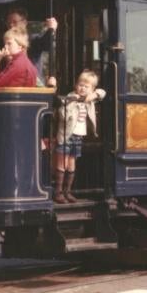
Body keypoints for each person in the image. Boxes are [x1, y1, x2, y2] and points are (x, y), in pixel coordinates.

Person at [52, 70, 106, 204]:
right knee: (62, 164)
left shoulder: (89, 100)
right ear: (76, 85)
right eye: (80, 85)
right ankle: (58, 192)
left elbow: (103, 92)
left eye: (86, 86)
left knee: (71, 165)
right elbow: (63, 116)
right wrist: (70, 104)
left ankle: (67, 191)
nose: (82, 88)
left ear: (91, 89)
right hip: (66, 136)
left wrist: (93, 95)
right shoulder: (71, 97)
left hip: (78, 137)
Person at [5, 7, 58, 86]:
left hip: (33, 87)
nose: (11, 25)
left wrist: (51, 29)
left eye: (14, 22)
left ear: (25, 23)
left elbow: (46, 44)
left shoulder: (32, 40)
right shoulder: (5, 42)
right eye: (8, 23)